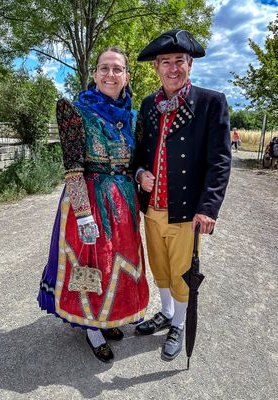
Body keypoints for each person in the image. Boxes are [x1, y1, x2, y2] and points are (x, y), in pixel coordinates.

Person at [38, 47, 149, 363]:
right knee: (91, 260)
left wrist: (140, 175)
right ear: (95, 74)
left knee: (118, 259)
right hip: (88, 198)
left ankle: (107, 315)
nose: (110, 75)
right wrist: (83, 214)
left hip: (122, 200)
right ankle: (91, 327)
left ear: (127, 76)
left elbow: (136, 161)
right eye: (104, 68)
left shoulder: (133, 117)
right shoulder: (75, 111)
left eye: (117, 69)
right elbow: (73, 168)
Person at [134, 30, 231, 361]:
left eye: (179, 61)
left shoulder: (210, 101)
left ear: (190, 64)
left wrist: (208, 208)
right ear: (156, 68)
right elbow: (139, 153)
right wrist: (139, 173)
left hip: (187, 210)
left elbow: (219, 161)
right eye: (166, 62)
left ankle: (178, 323)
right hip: (152, 208)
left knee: (181, 271)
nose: (172, 68)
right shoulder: (148, 105)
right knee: (159, 266)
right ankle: (165, 312)